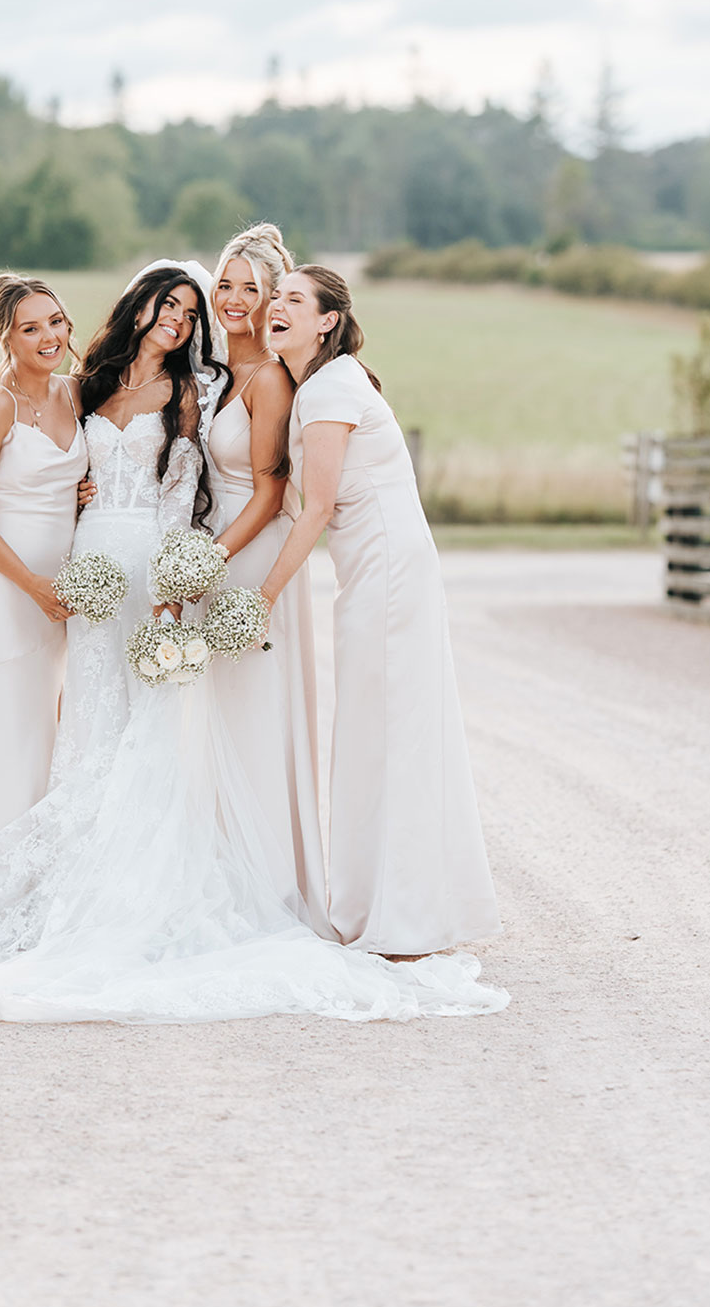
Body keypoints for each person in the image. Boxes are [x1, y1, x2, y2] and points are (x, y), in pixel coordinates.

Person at [0, 261, 506, 1025]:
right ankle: (69, 890)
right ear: (136, 306)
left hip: (157, 565)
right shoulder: (87, 385)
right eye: (166, 303)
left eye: (188, 309)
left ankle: (151, 893)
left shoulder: (191, 392)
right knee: (90, 720)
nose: (177, 317)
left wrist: (186, 563)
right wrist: (74, 493)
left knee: (156, 725)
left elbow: (205, 481)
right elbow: (53, 452)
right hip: (93, 565)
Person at [261, 265, 501, 957]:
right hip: (370, 563)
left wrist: (264, 595)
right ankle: (379, 901)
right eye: (277, 299)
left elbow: (320, 507)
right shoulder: (319, 385)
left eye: (294, 300)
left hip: (387, 566)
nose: (278, 307)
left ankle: (405, 911)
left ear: (327, 319)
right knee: (378, 723)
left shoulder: (332, 386)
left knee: (390, 723)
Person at [206, 224, 329, 933]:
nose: (233, 298)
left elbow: (268, 488)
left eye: (251, 288)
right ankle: (216, 871)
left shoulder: (271, 379)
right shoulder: (217, 373)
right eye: (226, 282)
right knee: (212, 720)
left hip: (246, 554)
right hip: (213, 548)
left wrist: (210, 559)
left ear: (272, 300)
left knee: (251, 711)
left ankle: (261, 891)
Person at [0, 274, 87, 861]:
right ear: (8, 338)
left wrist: (87, 492)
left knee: (41, 732)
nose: (48, 336)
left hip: (58, 590)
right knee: (2, 728)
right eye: (31, 328)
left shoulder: (75, 395)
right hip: (4, 589)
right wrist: (30, 584)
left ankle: (32, 880)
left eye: (55, 322)